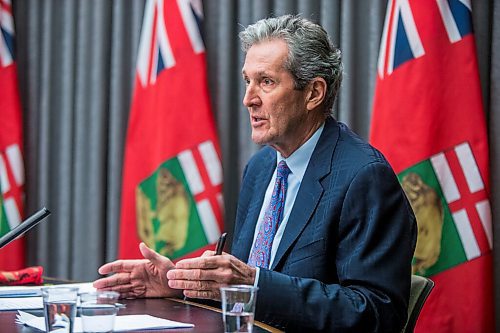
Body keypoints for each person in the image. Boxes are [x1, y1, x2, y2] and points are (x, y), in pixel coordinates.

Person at [94, 15, 417, 332]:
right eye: (247, 81)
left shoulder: (364, 176)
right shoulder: (261, 168)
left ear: (314, 93)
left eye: (266, 82)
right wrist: (181, 285)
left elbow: (375, 314)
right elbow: (238, 291)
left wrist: (254, 284)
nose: (248, 99)